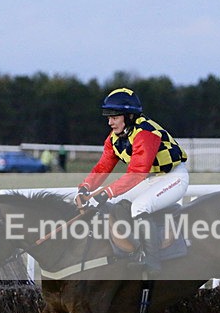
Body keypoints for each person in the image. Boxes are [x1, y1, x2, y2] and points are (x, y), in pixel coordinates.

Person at [74, 88, 189, 273]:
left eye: (114, 117)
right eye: (108, 117)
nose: (110, 122)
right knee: (114, 202)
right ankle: (133, 250)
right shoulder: (114, 138)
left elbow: (137, 174)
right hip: (152, 178)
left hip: (173, 177)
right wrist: (85, 189)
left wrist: (105, 192)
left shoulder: (145, 133)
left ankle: (153, 262)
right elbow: (102, 167)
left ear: (128, 116)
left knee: (139, 207)